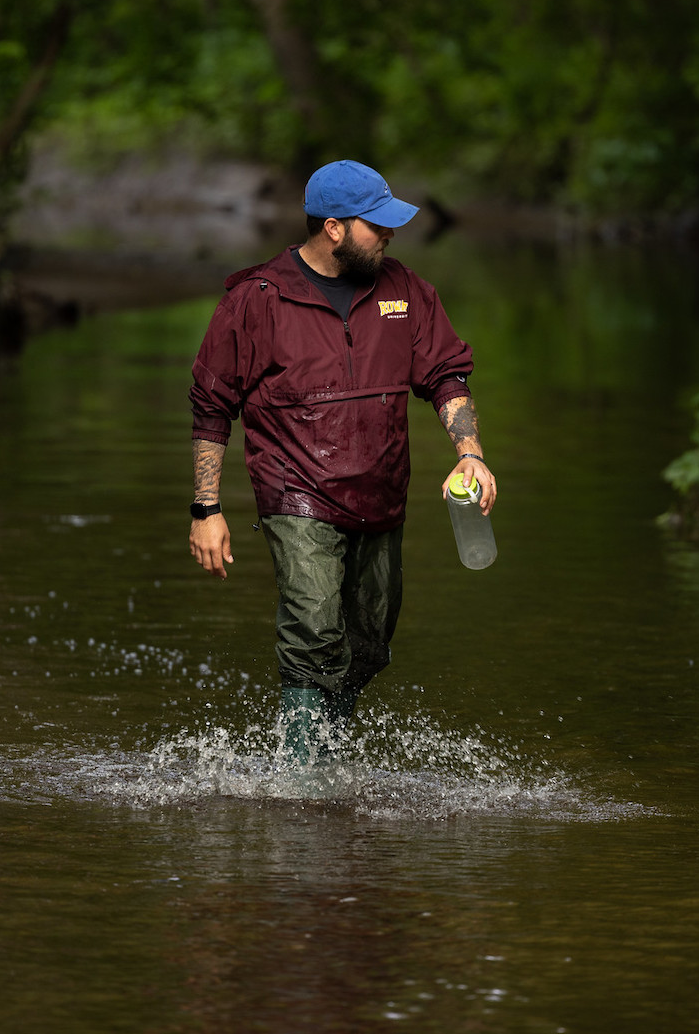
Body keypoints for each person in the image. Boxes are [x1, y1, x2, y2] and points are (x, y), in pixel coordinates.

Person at [187, 159, 497, 761]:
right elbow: (211, 406)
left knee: (369, 644)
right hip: (295, 493)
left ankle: (326, 754)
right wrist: (206, 508)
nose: (389, 234)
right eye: (374, 225)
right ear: (333, 228)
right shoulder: (257, 300)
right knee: (313, 631)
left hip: (381, 496)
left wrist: (470, 453)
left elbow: (447, 376)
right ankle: (301, 781)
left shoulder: (405, 292)